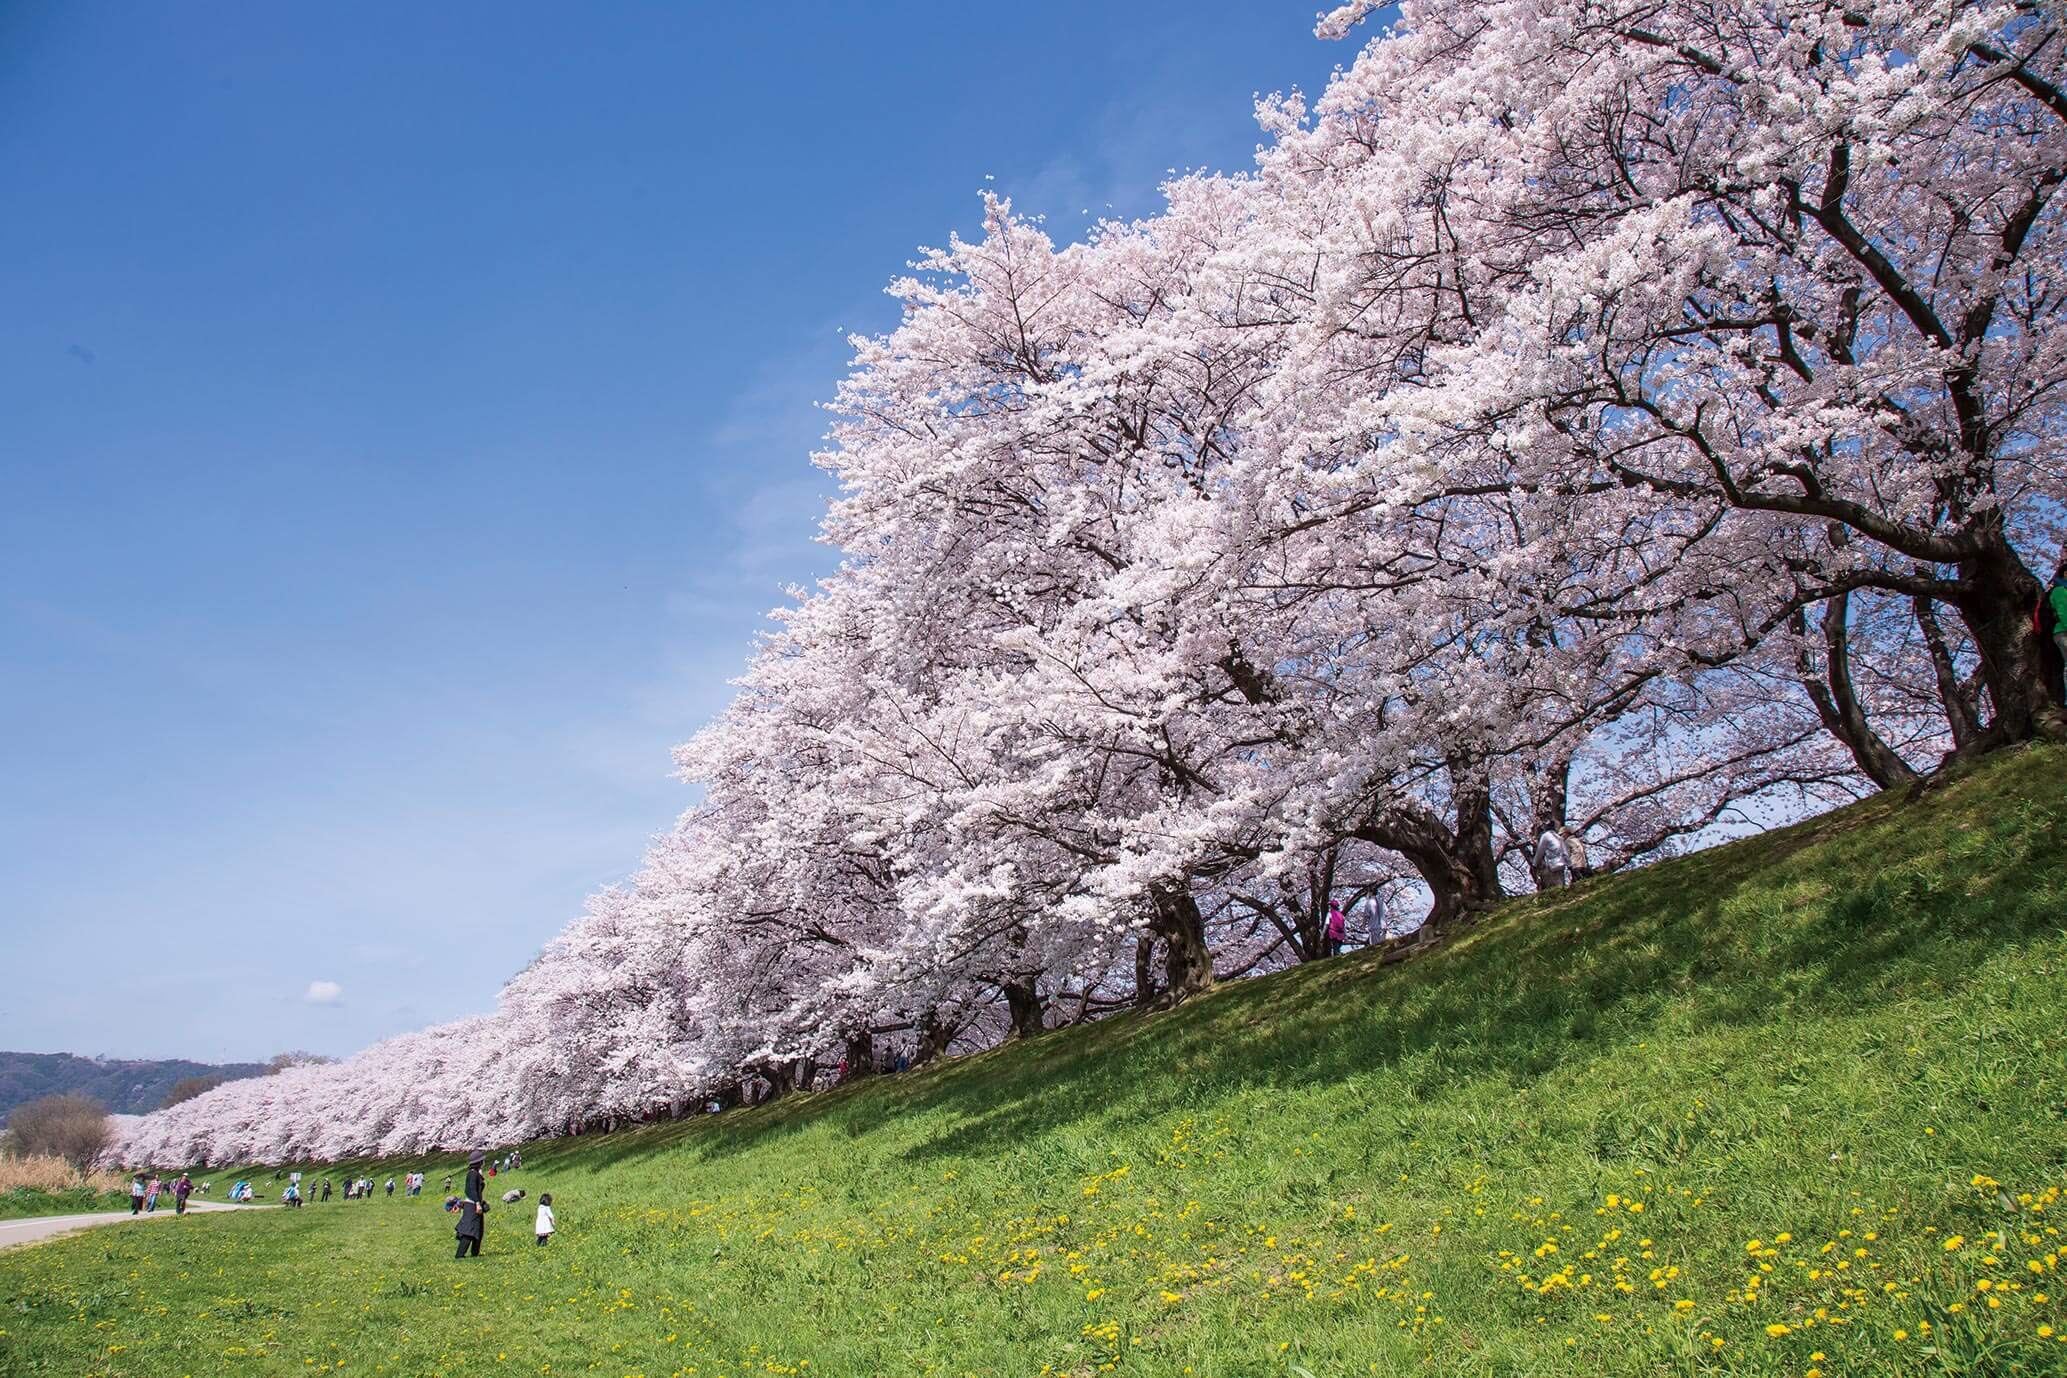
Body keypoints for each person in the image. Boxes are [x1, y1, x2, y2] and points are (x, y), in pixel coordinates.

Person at [454, 1150, 488, 1259]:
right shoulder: (473, 1174)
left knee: (478, 1230)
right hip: (472, 1205)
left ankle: (475, 1254)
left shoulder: (475, 1173)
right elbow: (472, 1190)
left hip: (474, 1203)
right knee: (469, 1231)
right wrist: (478, 1203)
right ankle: (460, 1255)